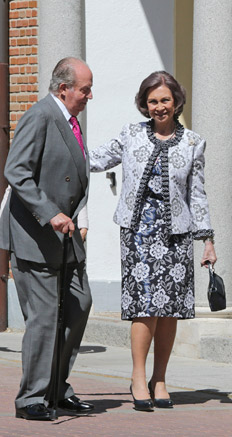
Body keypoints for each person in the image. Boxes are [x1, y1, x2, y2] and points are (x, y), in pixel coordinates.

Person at [88, 71, 217, 411]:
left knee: (170, 309)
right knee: (145, 307)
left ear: (176, 102)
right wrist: (54, 156)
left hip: (176, 233)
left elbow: (197, 192)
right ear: (144, 104)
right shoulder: (131, 134)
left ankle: (159, 378)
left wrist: (207, 239)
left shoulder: (193, 143)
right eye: (153, 101)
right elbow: (93, 159)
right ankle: (136, 376)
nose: (159, 107)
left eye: (165, 100)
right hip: (138, 232)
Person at [0, 57, 94, 420]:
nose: (89, 95)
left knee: (79, 306)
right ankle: (31, 399)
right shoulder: (41, 116)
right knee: (42, 318)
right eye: (84, 89)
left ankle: (56, 387)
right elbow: (16, 171)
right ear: (63, 88)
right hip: (35, 237)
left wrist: (77, 213)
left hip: (67, 239)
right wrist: (49, 212)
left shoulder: (72, 122)